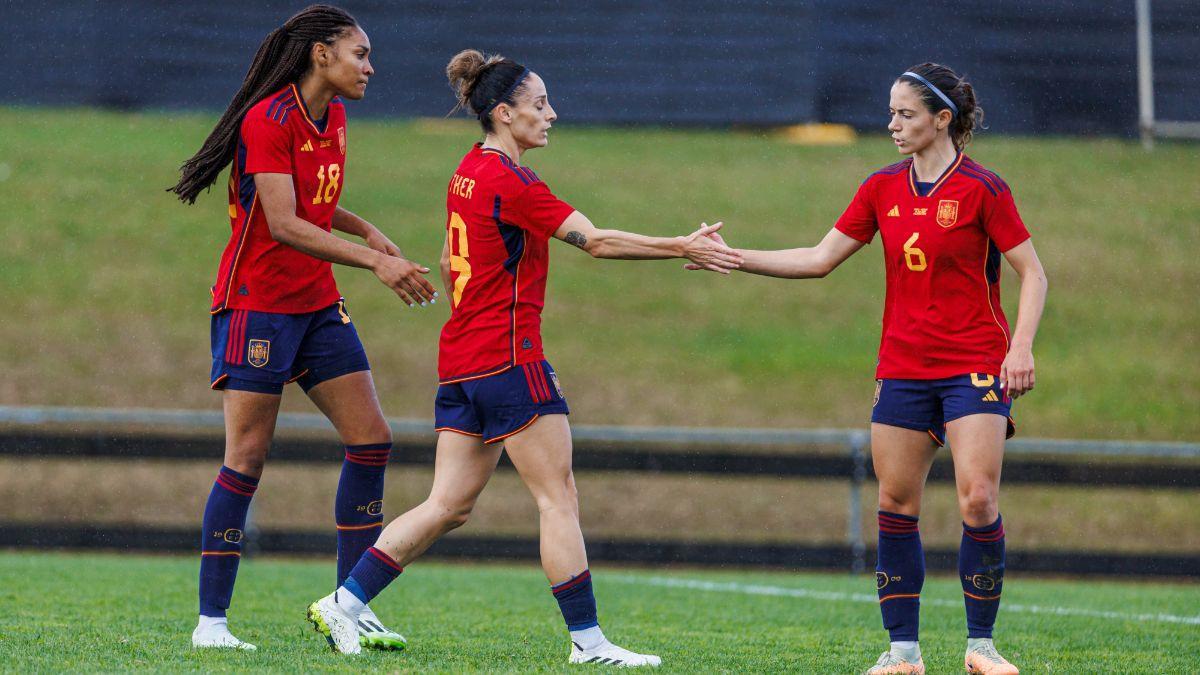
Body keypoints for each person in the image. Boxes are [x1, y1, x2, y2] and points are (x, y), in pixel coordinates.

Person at [304, 49, 741, 664]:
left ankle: (343, 605)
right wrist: (681, 244)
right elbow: (598, 242)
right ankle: (588, 643)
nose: (551, 114)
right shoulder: (511, 182)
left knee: (448, 504)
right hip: (509, 359)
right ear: (504, 113)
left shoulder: (467, 169)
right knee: (556, 498)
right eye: (540, 104)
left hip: (461, 359)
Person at [691, 63, 1047, 675]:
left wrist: (1021, 348)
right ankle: (902, 654)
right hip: (903, 368)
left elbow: (1033, 273)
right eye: (890, 113)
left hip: (974, 363)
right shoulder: (881, 187)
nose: (892, 125)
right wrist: (735, 257)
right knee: (896, 500)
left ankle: (981, 648)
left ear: (943, 120)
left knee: (978, 498)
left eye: (905, 114)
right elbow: (817, 258)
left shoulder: (984, 188)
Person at [168, 4, 437, 652]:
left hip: (315, 303)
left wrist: (367, 228)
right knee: (248, 456)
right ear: (322, 54)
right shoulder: (269, 118)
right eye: (360, 54)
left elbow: (314, 201)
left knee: (372, 439)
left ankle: (349, 605)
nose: (370, 66)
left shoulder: (335, 116)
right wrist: (377, 259)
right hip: (257, 302)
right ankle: (212, 623)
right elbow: (284, 221)